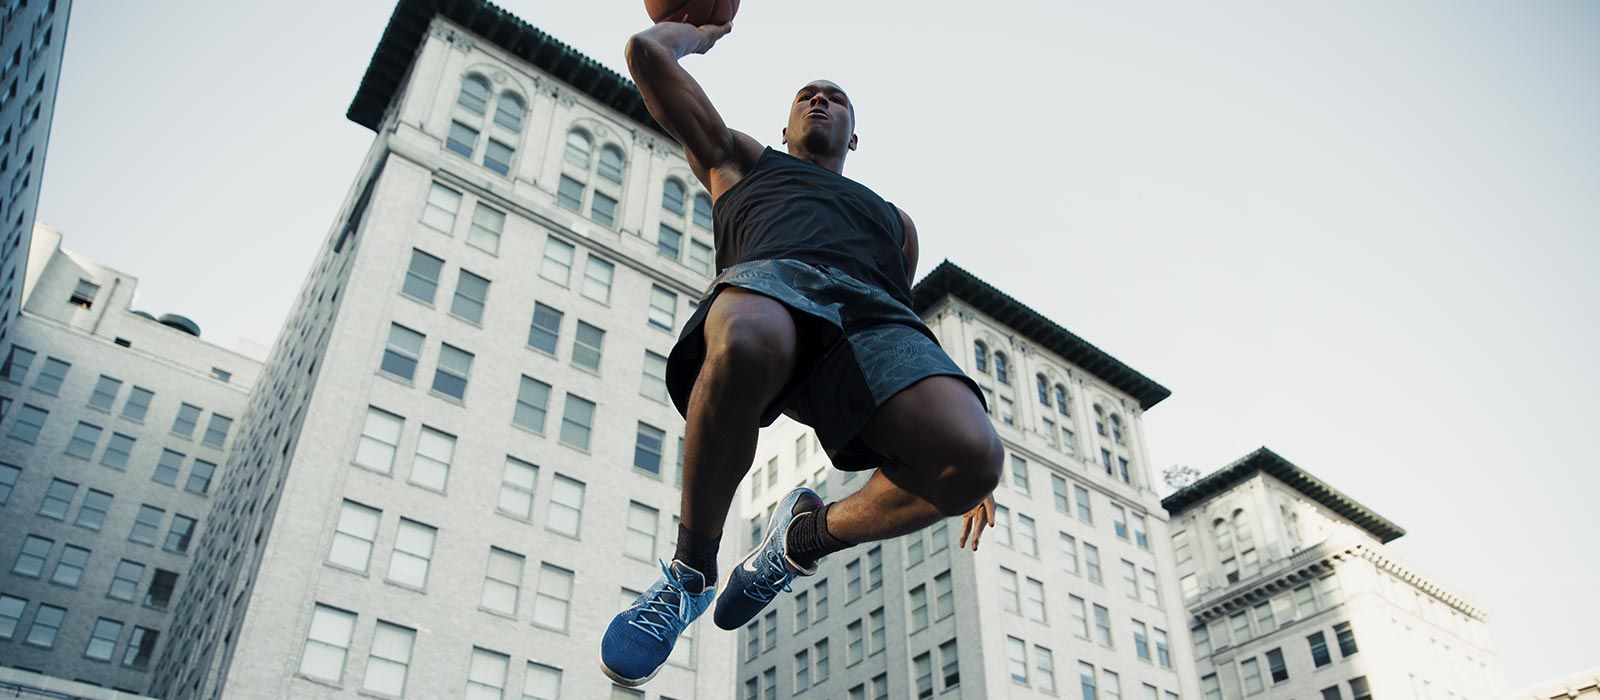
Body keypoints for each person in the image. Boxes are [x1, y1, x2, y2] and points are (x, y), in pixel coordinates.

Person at [600, 19, 1002, 687]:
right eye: (807, 95)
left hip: (870, 322)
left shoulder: (895, 224)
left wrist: (963, 454)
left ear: (855, 136)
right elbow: (646, 56)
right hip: (773, 287)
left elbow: (901, 327)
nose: (820, 100)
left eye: (836, 97)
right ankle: (689, 576)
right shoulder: (739, 161)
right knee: (751, 333)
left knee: (975, 459)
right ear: (784, 128)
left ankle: (801, 541)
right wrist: (698, 32)